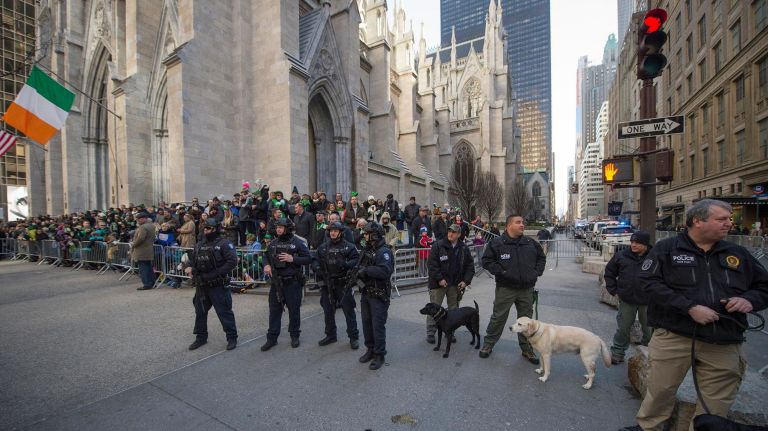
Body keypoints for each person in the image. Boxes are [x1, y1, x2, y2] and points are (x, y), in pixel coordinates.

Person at [619, 199, 768, 431]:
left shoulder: (738, 253)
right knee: (660, 388)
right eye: (721, 219)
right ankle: (649, 427)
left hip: (723, 340)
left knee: (715, 403)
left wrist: (749, 300)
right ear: (697, 221)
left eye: (729, 219)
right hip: (674, 335)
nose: (729, 223)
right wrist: (689, 307)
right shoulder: (667, 249)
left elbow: (763, 287)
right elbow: (648, 283)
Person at [479, 214, 546, 364]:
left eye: (523, 222)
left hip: (526, 289)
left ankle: (527, 349)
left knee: (526, 322)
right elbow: (486, 261)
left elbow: (541, 258)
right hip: (506, 289)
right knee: (498, 318)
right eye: (518, 222)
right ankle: (488, 344)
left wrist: (536, 272)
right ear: (509, 225)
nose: (522, 225)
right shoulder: (497, 243)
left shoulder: (530, 243)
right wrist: (502, 272)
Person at [183, 219, 239, 350]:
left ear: (215, 229)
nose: (206, 230)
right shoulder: (200, 244)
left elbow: (232, 261)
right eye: (204, 228)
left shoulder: (224, 243)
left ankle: (232, 338)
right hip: (202, 285)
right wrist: (189, 267)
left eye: (208, 228)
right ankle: (201, 337)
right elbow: (193, 260)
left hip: (218, 285)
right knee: (200, 312)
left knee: (224, 312)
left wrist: (216, 274)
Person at [260, 218, 312, 351]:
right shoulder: (273, 243)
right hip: (277, 283)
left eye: (281, 227)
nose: (278, 229)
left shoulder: (298, 242)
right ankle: (272, 338)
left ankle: (294, 335)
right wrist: (266, 265)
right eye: (277, 227)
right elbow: (266, 256)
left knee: (294, 311)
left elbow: (308, 258)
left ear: (287, 228)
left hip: (292, 283)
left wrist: (293, 259)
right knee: (274, 311)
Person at [604, 230, 653, 365]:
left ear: (645, 244)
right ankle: (617, 353)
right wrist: (613, 290)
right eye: (632, 242)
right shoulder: (621, 255)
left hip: (648, 300)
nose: (633, 245)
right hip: (627, 299)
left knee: (649, 329)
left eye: (637, 243)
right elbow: (609, 272)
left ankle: (647, 352)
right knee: (623, 328)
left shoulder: (655, 257)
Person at [425, 224, 475, 344]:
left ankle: (450, 332)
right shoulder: (438, 245)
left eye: (454, 232)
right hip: (439, 284)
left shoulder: (463, 248)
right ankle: (431, 332)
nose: (450, 234)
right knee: (433, 308)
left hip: (454, 284)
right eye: (449, 231)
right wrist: (439, 279)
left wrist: (465, 281)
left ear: (459, 234)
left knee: (453, 309)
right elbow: (432, 265)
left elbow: (470, 266)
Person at [314, 221, 361, 349]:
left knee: (349, 311)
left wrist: (346, 264)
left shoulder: (349, 247)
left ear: (340, 232)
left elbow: (356, 260)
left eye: (335, 231)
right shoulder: (323, 247)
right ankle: (330, 335)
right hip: (328, 284)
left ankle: (353, 337)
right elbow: (315, 260)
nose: (333, 233)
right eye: (331, 231)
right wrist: (317, 268)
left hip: (343, 284)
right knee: (328, 311)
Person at [356, 222, 395, 370]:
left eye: (367, 233)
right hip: (366, 292)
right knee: (366, 323)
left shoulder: (384, 251)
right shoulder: (367, 249)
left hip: (379, 294)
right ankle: (370, 349)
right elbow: (359, 266)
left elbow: (385, 271)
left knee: (377, 325)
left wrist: (366, 271)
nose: (364, 236)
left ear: (374, 235)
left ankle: (379, 354)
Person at [132, 212, 157, 291]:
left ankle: (147, 284)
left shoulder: (143, 227)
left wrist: (133, 244)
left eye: (138, 219)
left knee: (143, 268)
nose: (137, 221)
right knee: (149, 267)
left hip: (142, 250)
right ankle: (152, 283)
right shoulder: (152, 226)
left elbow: (141, 238)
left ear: (143, 219)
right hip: (149, 249)